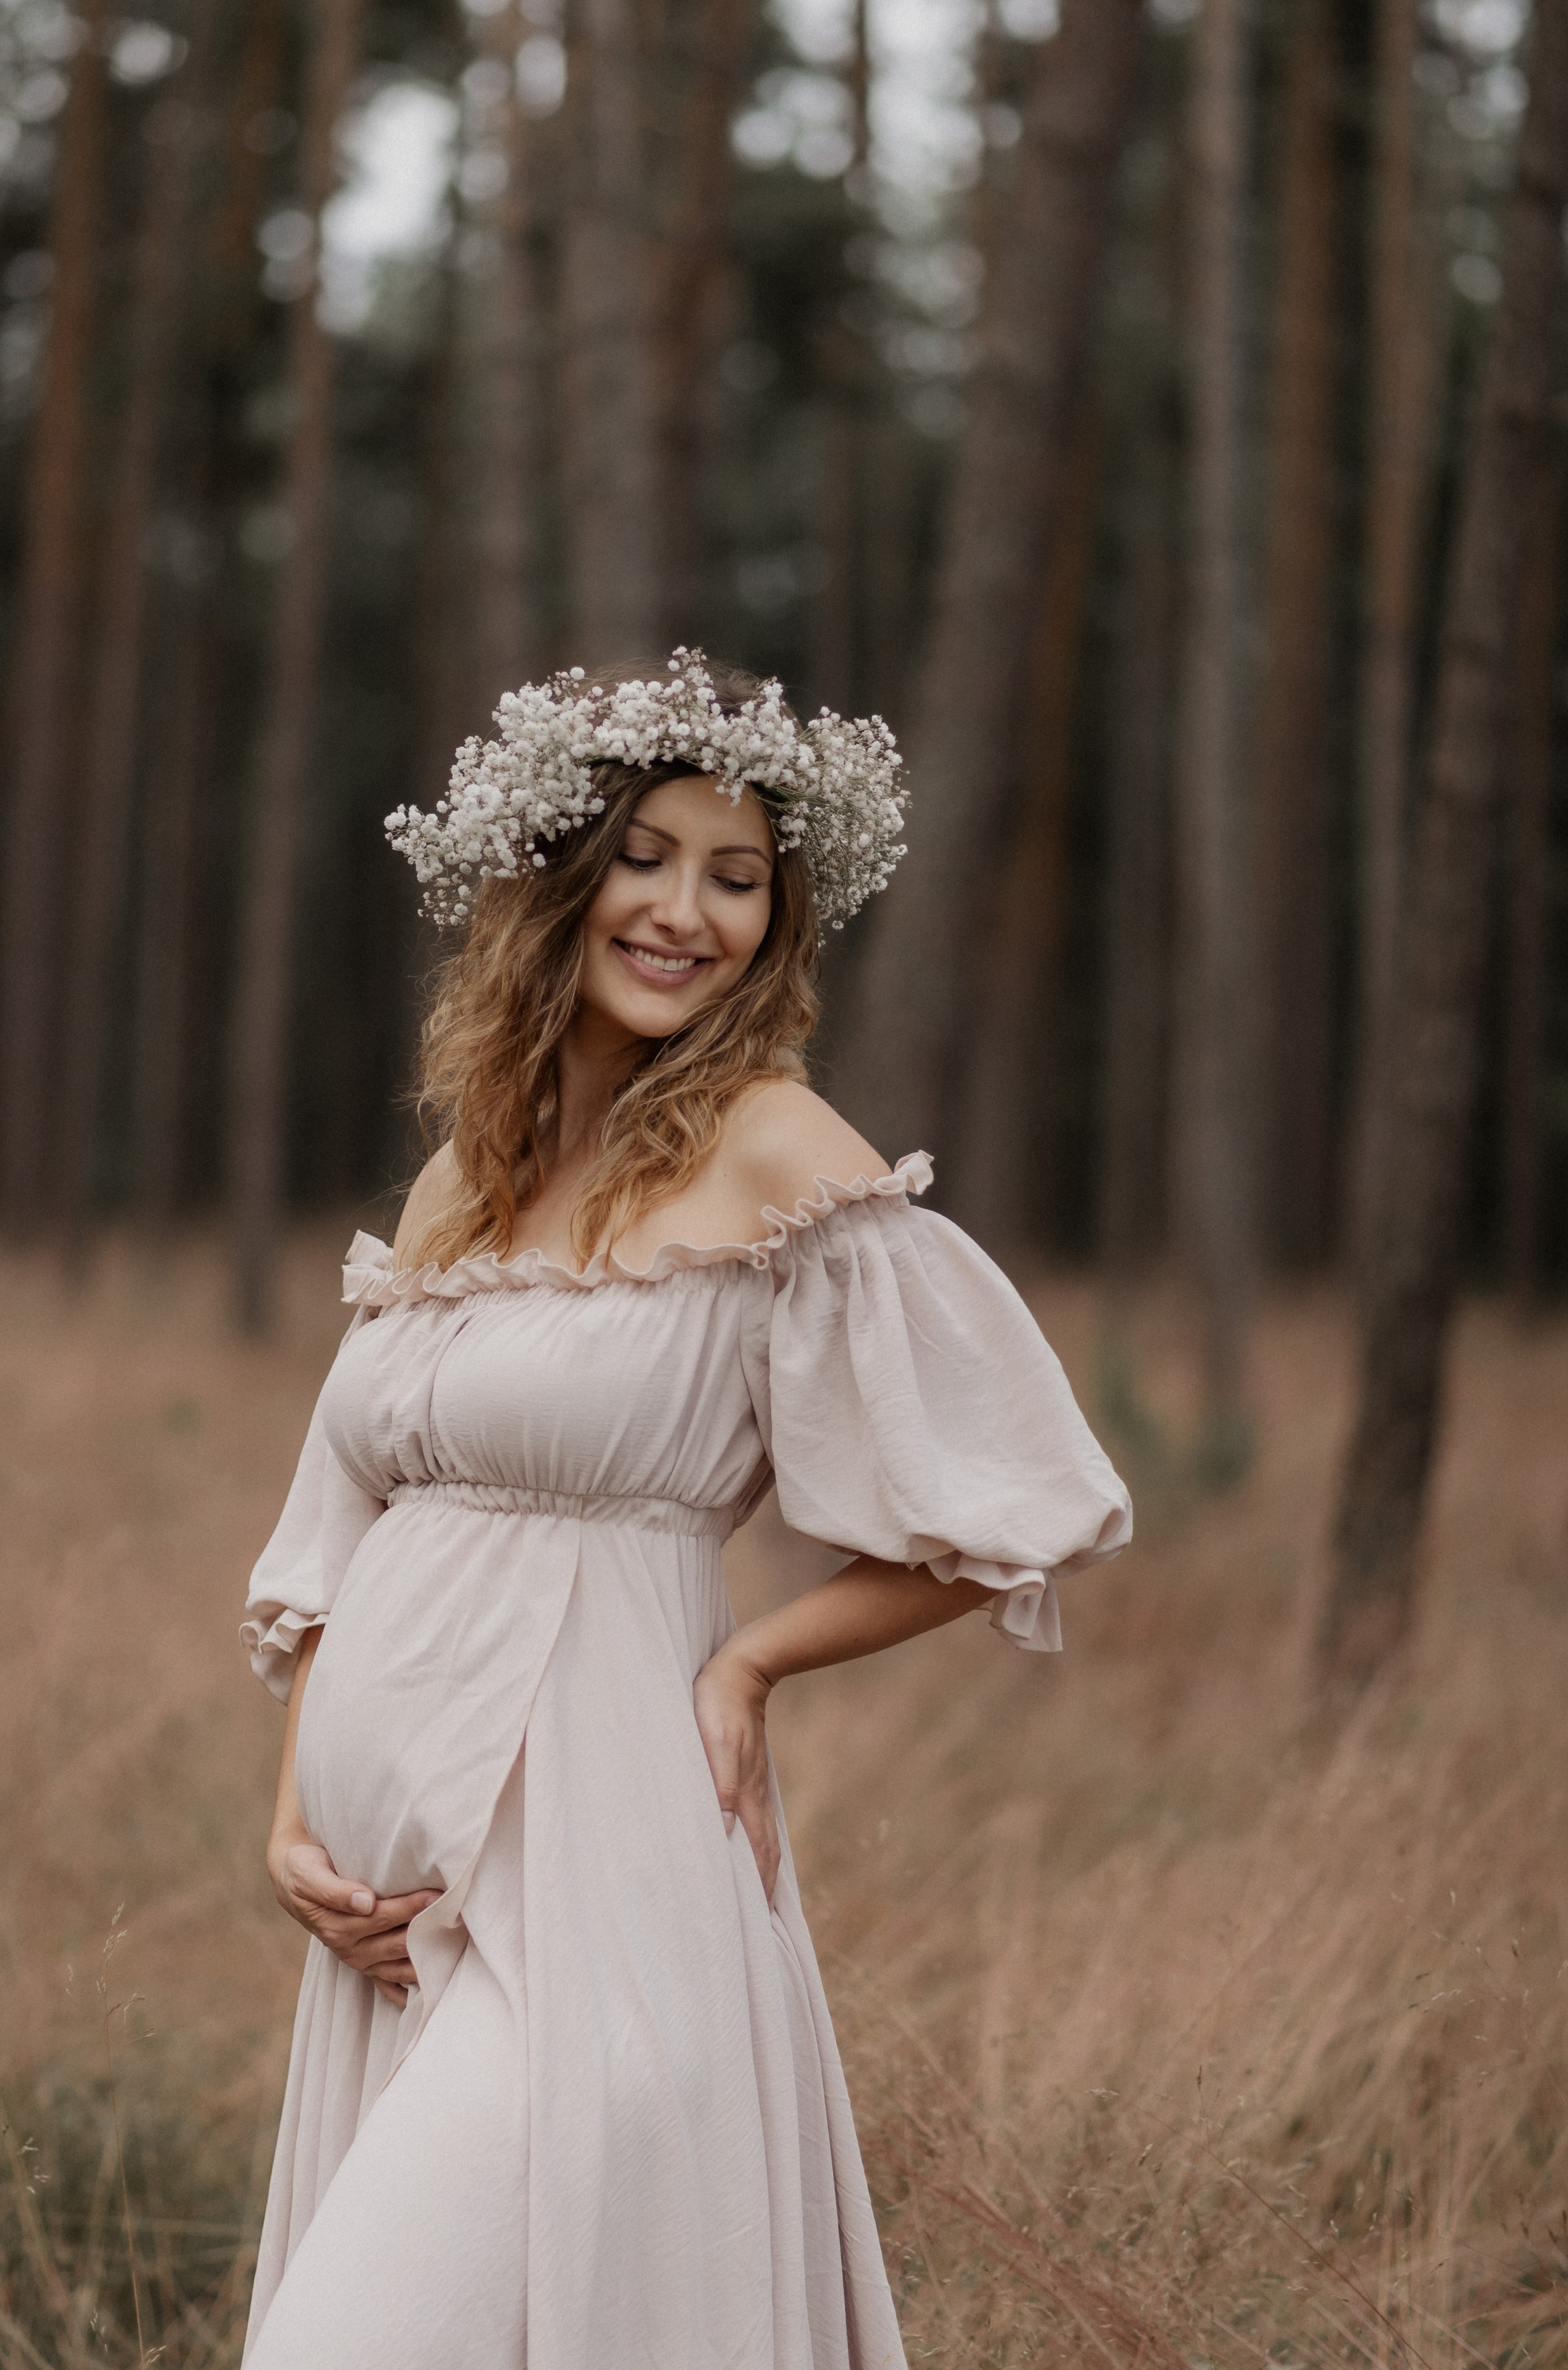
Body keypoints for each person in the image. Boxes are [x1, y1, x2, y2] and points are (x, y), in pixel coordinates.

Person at [239, 651, 1130, 2370]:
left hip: (602, 1867)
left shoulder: (773, 1147)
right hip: (387, 1907)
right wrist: (294, 1827)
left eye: (737, 878)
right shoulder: (461, 1173)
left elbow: (1020, 1495)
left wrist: (752, 1664)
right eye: (647, 856)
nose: (685, 912)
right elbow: (339, 1533)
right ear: (557, 879)